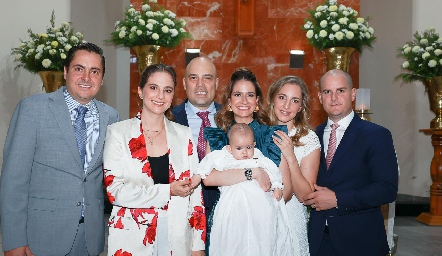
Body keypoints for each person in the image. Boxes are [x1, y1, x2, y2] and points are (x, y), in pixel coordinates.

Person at [0, 42, 120, 256]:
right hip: (41, 238)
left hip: (90, 239)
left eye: (94, 71)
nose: (86, 78)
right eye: (78, 69)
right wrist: (13, 240)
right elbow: (13, 180)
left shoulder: (111, 116)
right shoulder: (33, 109)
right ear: (65, 72)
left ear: (102, 79)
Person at [103, 64, 205, 256]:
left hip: (176, 235)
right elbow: (115, 192)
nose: (160, 96)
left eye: (167, 90)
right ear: (141, 91)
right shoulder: (118, 133)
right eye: (153, 88)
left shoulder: (183, 135)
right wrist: (168, 190)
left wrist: (198, 244)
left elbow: (195, 193)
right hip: (131, 237)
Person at [303, 69, 398, 256]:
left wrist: (338, 199)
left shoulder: (376, 135)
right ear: (320, 97)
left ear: (353, 94)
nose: (334, 97)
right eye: (327, 92)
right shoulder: (312, 136)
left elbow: (387, 189)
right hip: (319, 240)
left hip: (360, 241)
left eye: (341, 90)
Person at [193, 123, 291, 256]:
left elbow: (272, 169)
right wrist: (198, 176)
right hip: (233, 207)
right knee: (232, 240)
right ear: (229, 148)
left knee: (262, 240)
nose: (245, 152)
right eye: (239, 148)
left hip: (259, 208)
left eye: (248, 147)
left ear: (254, 144)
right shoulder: (224, 156)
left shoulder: (258, 157)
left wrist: (277, 186)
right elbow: (207, 163)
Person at [267, 75, 321, 256]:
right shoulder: (256, 130)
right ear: (273, 98)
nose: (286, 106)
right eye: (282, 97)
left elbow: (306, 196)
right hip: (259, 216)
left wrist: (290, 156)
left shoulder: (308, 139)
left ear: (301, 107)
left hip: (291, 219)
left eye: (294, 100)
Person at [172, 56, 221, 223]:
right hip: (180, 211)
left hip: (223, 212)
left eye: (207, 78)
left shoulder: (231, 118)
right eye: (194, 78)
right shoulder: (169, 118)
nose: (200, 84)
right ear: (185, 84)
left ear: (216, 83)